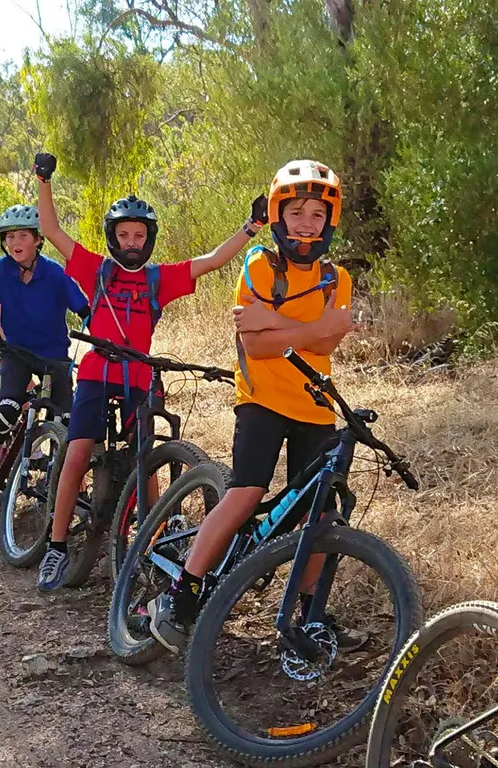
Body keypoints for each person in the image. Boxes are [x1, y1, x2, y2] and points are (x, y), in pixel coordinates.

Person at [147, 159, 357, 650]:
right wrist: (312, 330)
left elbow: (324, 349)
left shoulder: (337, 277)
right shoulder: (260, 264)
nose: (307, 222)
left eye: (317, 214)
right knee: (244, 495)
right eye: (296, 211)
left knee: (321, 515)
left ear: (331, 219)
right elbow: (260, 348)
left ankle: (308, 615)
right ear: (279, 215)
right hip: (261, 398)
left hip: (315, 405)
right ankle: (185, 590)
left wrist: (273, 321)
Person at [31, 150, 262, 591]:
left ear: (149, 239)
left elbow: (212, 260)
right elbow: (52, 231)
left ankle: (151, 539)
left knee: (146, 463)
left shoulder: (158, 279)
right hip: (97, 374)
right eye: (125, 235)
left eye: (140, 235)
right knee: (78, 453)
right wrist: (44, 181)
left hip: (138, 378)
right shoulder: (96, 271)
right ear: (113, 239)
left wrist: (251, 227)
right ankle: (56, 547)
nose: (132, 242)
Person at [0, 205, 89, 500]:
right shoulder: (2, 271)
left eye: (22, 236)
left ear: (37, 240)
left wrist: (103, 338)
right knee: (7, 409)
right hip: (16, 353)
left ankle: (74, 488)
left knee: (68, 422)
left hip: (55, 357)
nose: (14, 243)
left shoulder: (55, 273)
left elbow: (85, 310)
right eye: (9, 237)